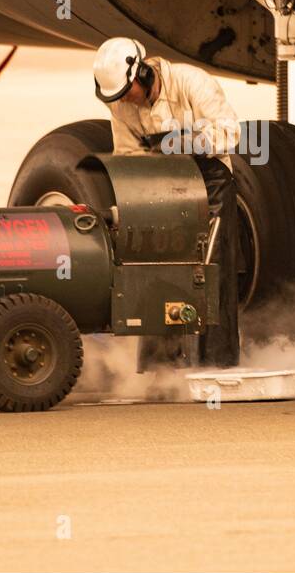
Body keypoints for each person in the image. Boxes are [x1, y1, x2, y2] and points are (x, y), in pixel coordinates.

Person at [92, 37, 240, 367]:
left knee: (212, 273)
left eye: (126, 92)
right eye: (117, 97)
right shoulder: (120, 104)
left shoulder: (192, 82)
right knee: (156, 268)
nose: (124, 102)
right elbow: (128, 154)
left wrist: (187, 143)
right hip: (163, 183)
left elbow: (231, 133)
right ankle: (161, 366)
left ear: (143, 73)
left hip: (210, 182)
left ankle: (217, 364)